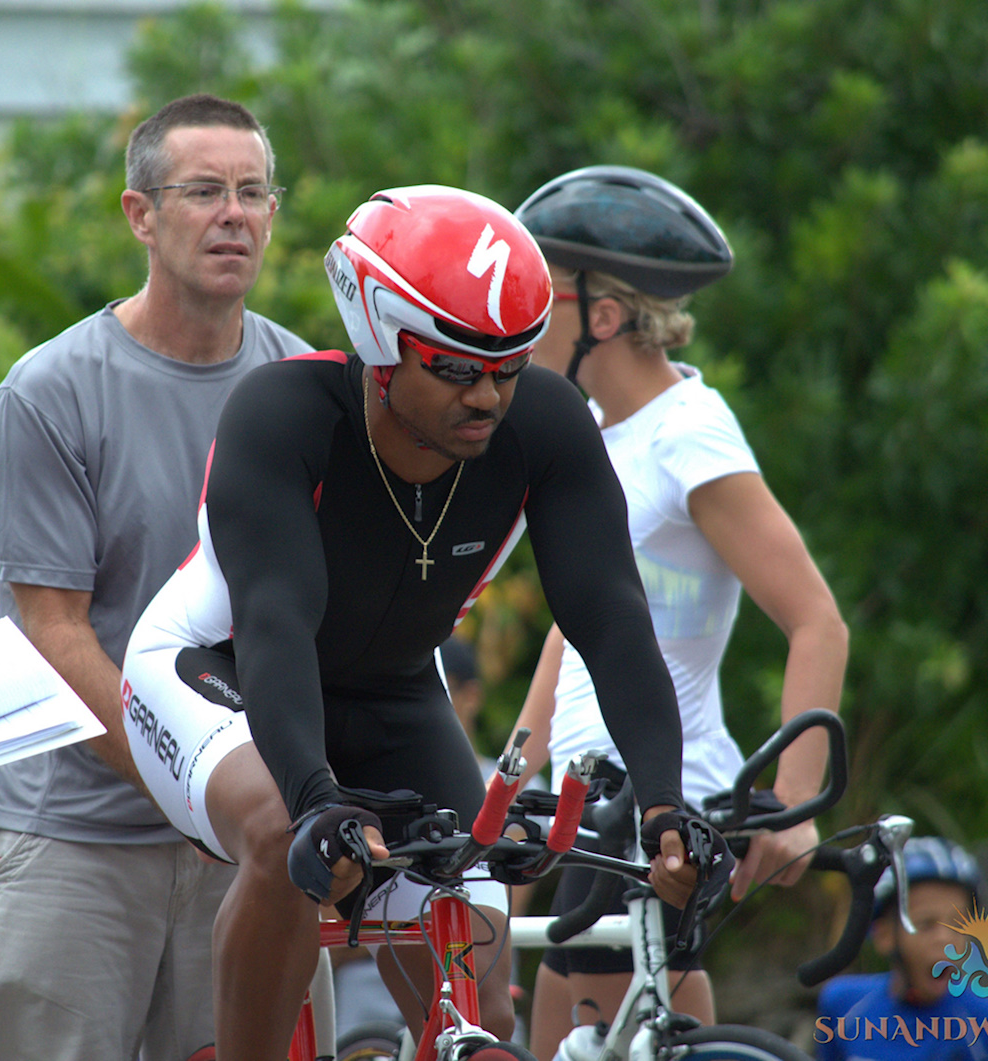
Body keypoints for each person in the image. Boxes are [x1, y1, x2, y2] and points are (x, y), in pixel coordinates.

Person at [121, 184, 722, 1061]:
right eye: (454, 366)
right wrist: (318, 796)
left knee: (479, 1010)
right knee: (287, 836)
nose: (487, 396)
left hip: (397, 688)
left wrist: (667, 800)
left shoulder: (547, 425)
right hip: (222, 669)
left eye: (508, 365)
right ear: (378, 340)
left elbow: (614, 619)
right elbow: (277, 624)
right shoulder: (284, 415)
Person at [0, 93, 312, 1061]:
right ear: (140, 215)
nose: (233, 213)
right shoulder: (49, 393)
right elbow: (53, 631)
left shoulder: (306, 389)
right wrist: (202, 783)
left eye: (252, 192)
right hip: (76, 838)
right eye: (202, 191)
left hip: (258, 844)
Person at [506, 165, 850, 1050]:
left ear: (607, 317)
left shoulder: (688, 431)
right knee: (546, 1037)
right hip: (587, 803)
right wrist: (511, 786)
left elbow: (816, 618)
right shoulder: (593, 430)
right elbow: (573, 631)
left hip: (664, 799)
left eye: (546, 294)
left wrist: (796, 804)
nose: (523, 313)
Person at [815, 837, 988, 1061]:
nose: (945, 939)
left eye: (959, 924)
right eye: (926, 924)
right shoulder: (843, 1005)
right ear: (884, 935)